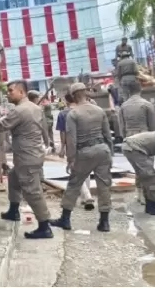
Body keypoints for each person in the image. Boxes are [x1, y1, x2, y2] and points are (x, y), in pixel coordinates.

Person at [0, 80, 53, 239]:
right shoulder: (35, 108)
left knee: (32, 191)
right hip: (32, 154)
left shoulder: (20, 110)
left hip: (27, 156)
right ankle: (13, 210)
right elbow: (43, 129)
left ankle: (45, 226)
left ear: (22, 92)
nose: (8, 94)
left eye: (11, 91)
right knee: (13, 178)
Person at [50, 83, 113, 232]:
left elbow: (72, 140)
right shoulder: (99, 110)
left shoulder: (73, 114)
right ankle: (104, 222)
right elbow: (107, 135)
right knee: (104, 186)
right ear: (86, 92)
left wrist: (71, 159)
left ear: (73, 96)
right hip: (102, 150)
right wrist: (109, 152)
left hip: (84, 152)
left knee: (74, 184)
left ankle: (65, 219)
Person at [56, 92, 95, 210]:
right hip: (88, 143)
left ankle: (87, 195)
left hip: (72, 145)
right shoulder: (85, 110)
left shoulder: (63, 114)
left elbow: (63, 132)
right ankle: (85, 196)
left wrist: (62, 147)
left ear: (66, 100)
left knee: (76, 171)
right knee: (86, 170)